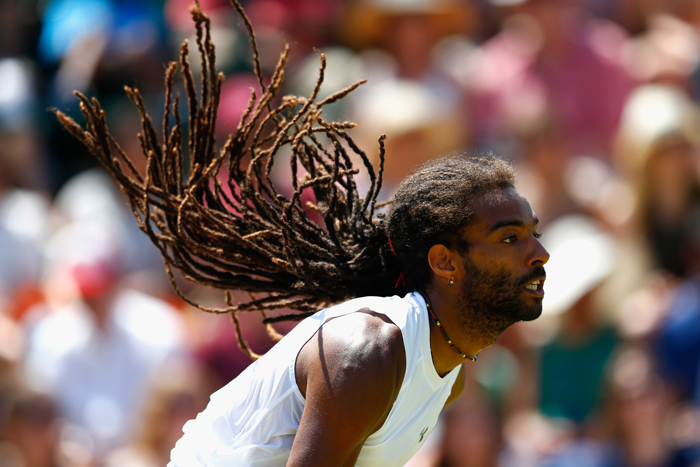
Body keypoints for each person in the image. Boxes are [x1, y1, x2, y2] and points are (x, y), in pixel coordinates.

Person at [53, 1, 549, 465]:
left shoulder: (450, 368)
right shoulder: (367, 349)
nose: (540, 254)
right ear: (444, 262)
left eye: (532, 233)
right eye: (511, 238)